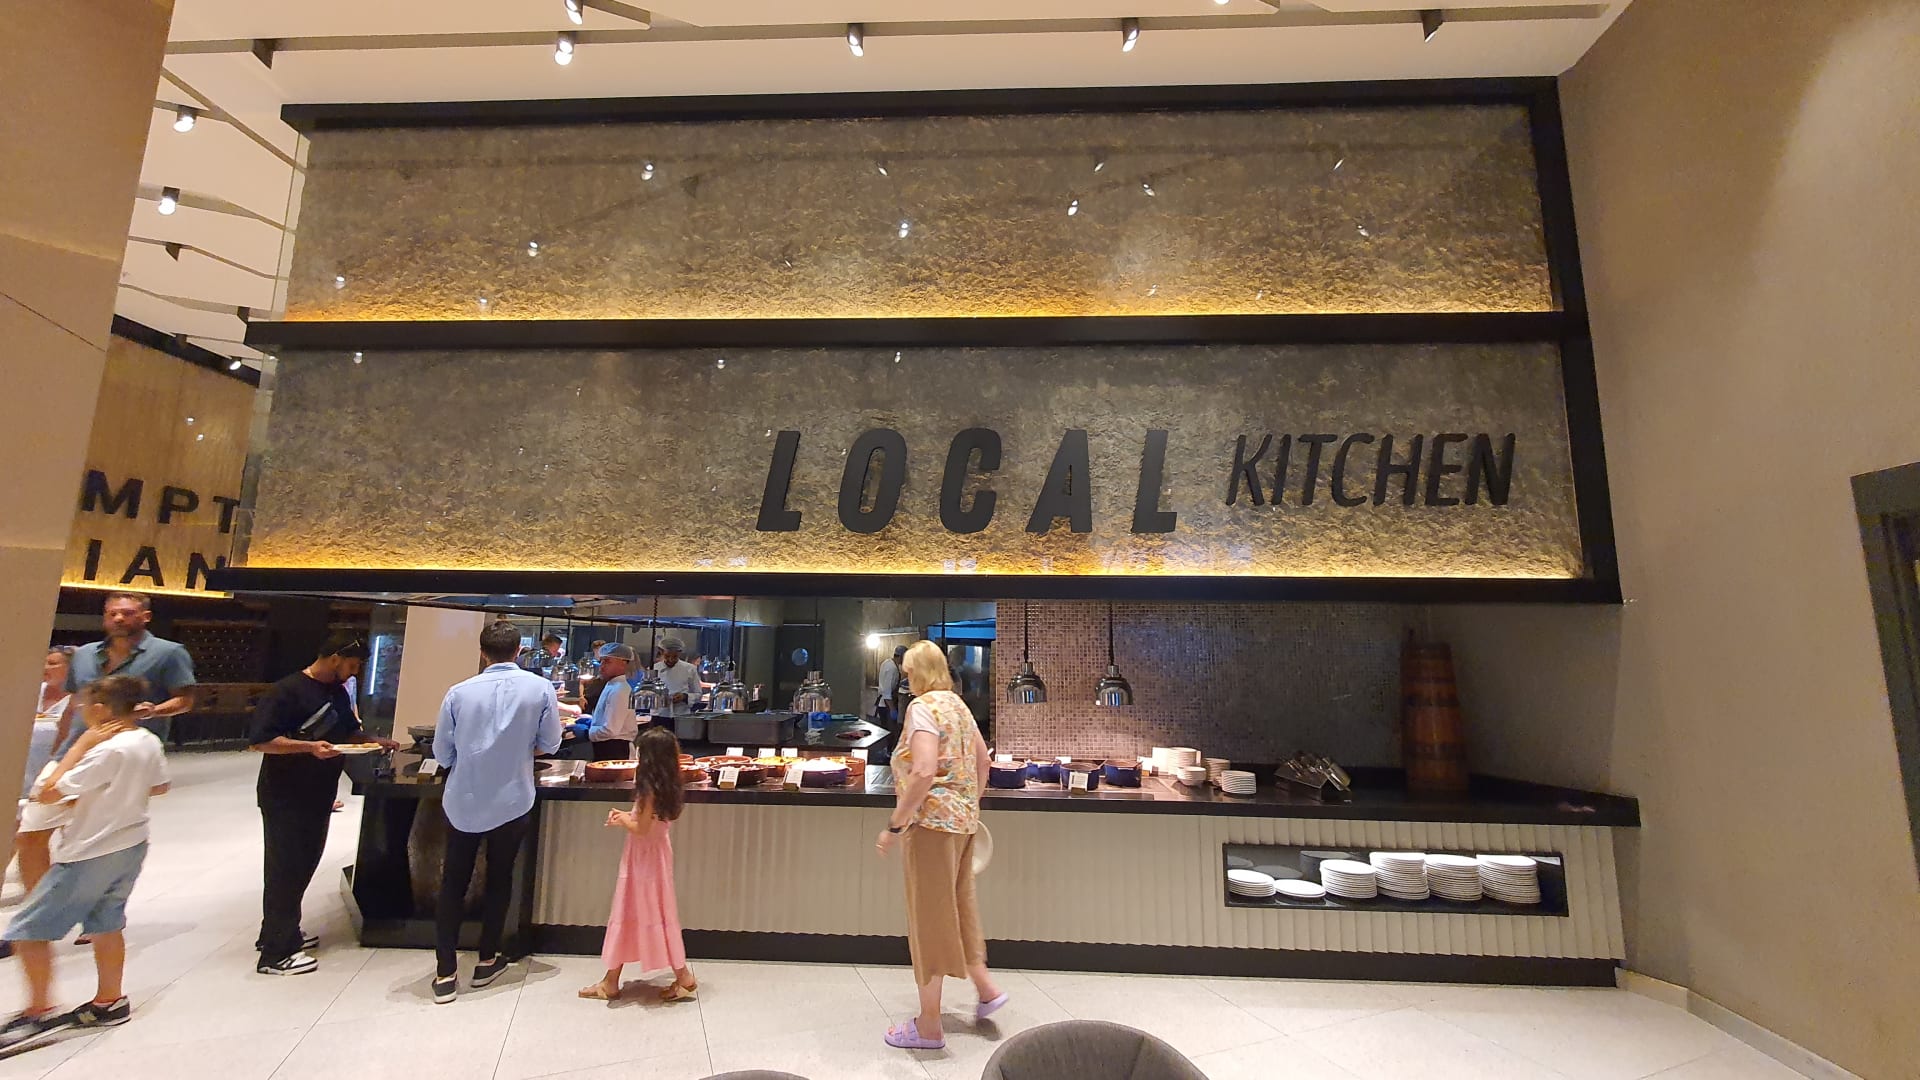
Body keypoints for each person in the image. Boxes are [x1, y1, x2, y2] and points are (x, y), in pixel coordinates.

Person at [0, 675, 170, 1052]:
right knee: (107, 922)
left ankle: (38, 1010)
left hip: (91, 850)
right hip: (131, 843)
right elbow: (160, 786)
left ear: (100, 710)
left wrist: (81, 745)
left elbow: (46, 793)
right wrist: (114, 795)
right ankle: (109, 1001)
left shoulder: (105, 750)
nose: (80, 712)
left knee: (27, 931)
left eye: (83, 706)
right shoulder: (147, 740)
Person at [874, 640, 1004, 1051]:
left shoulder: (923, 708)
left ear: (920, 672)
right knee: (960, 904)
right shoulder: (958, 706)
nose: (907, 680)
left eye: (909, 673)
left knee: (929, 918)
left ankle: (929, 1024)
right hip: (964, 824)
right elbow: (984, 762)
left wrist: (895, 825)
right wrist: (968, 804)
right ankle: (986, 990)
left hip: (930, 826)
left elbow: (924, 770)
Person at [249, 633, 397, 976]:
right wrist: (309, 748)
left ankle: (278, 932)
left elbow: (346, 733)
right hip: (285, 793)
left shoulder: (336, 692)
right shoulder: (286, 690)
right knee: (285, 868)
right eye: (352, 665)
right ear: (334, 658)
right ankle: (275, 954)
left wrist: (374, 741)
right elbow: (262, 741)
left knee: (304, 863)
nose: (354, 672)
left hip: (319, 792)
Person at [432, 620, 563, 1004]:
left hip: (464, 799)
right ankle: (487, 959)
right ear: (519, 650)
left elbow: (442, 753)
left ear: (482, 653)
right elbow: (551, 742)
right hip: (512, 798)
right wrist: (517, 750)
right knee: (500, 879)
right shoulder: (539, 688)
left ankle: (445, 973)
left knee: (453, 883)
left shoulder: (458, 692)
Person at [578, 726, 695, 1003]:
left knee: (631, 909)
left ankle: (679, 977)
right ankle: (614, 979)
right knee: (656, 911)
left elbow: (641, 829)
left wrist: (622, 820)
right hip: (657, 856)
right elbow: (650, 822)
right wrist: (627, 815)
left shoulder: (647, 789)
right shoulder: (669, 785)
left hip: (641, 859)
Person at [58, 593, 195, 750]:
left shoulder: (169, 653)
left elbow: (185, 700)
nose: (118, 618)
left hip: (131, 750)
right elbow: (72, 705)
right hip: (77, 746)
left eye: (127, 613)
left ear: (146, 616)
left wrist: (152, 711)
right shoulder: (83, 653)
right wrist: (57, 750)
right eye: (112, 614)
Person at [569, 644, 640, 761]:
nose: (601, 666)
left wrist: (587, 732)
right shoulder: (612, 685)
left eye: (607, 661)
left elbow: (610, 731)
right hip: (605, 747)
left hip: (616, 750)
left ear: (623, 663)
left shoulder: (620, 690)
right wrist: (593, 721)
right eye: (601, 661)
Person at [650, 637, 701, 714]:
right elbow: (647, 692)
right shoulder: (654, 669)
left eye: (675, 656)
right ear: (661, 652)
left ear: (680, 653)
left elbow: (698, 694)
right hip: (658, 714)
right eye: (667, 656)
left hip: (681, 715)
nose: (671, 660)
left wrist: (684, 697)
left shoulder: (690, 669)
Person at [875, 645, 906, 724]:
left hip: (883, 704)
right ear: (901, 656)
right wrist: (892, 709)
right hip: (886, 705)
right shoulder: (892, 668)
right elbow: (887, 691)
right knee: (889, 729)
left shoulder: (887, 662)